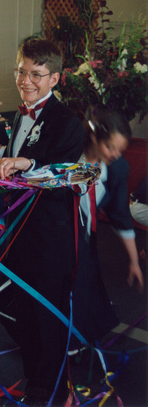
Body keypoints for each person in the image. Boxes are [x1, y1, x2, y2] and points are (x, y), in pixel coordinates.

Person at [0, 38, 84, 405]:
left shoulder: (69, 120)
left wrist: (27, 165)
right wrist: (2, 154)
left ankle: (50, 389)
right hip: (15, 232)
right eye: (22, 71)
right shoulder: (20, 114)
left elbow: (64, 172)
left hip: (50, 239)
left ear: (55, 78)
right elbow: (22, 155)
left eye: (36, 74)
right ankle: (37, 375)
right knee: (10, 305)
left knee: (46, 316)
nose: (26, 80)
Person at [72, 108, 144, 347]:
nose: (115, 155)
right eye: (110, 147)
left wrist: (134, 261)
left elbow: (120, 216)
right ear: (94, 138)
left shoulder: (116, 168)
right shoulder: (69, 155)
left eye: (120, 150)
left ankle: (76, 340)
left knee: (85, 287)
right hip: (58, 233)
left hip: (85, 236)